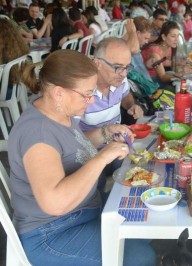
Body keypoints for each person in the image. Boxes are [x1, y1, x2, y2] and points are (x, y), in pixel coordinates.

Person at [11, 49, 156, 266]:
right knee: (140, 258)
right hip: (53, 232)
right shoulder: (38, 134)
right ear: (59, 92)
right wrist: (102, 158)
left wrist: (104, 133)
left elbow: (70, 146)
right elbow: (55, 203)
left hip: (81, 212)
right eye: (87, 94)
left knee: (145, 211)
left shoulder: (56, 110)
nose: (90, 101)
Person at [142, 21, 192, 90]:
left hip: (156, 77)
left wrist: (180, 63)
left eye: (177, 36)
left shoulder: (168, 46)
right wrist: (179, 74)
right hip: (149, 81)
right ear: (164, 37)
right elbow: (162, 77)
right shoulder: (155, 51)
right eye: (173, 36)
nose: (176, 39)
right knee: (179, 85)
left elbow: (164, 62)